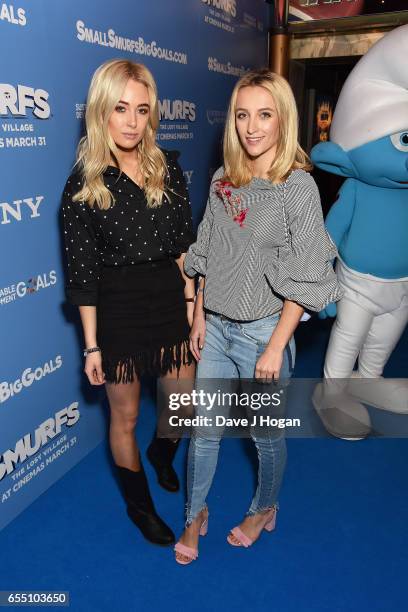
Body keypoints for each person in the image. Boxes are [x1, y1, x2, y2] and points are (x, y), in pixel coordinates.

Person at [174, 69, 342, 564]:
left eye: (264, 115)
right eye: (242, 115)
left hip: (264, 332)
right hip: (217, 328)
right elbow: (210, 251)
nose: (251, 127)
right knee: (203, 431)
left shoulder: (298, 188)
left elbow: (309, 273)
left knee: (264, 436)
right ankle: (194, 514)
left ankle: (265, 506)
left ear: (282, 120)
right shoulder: (224, 178)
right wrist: (200, 314)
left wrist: (275, 345)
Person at [61, 59, 195, 547]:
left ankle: (162, 454)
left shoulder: (168, 168)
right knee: (127, 418)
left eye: (142, 109)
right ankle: (140, 508)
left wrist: (191, 304)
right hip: (117, 311)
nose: (132, 121)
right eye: (121, 109)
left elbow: (185, 244)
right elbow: (83, 277)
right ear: (101, 112)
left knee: (183, 406)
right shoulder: (83, 187)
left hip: (169, 300)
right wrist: (92, 347)